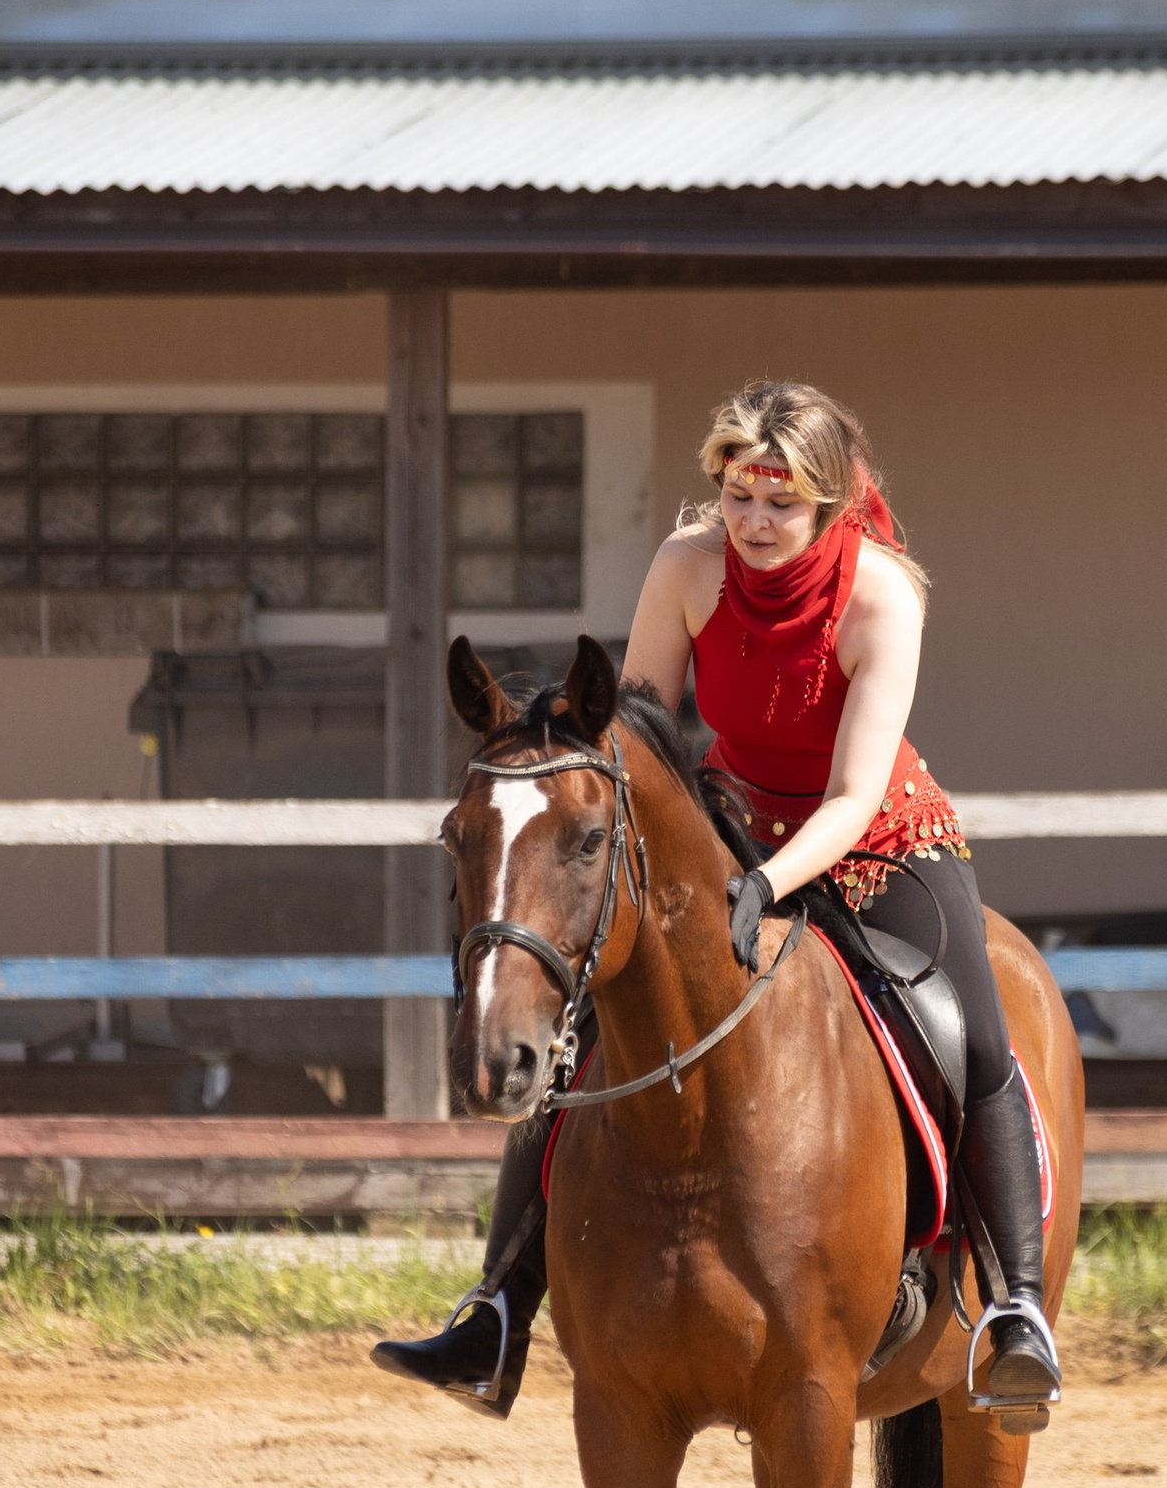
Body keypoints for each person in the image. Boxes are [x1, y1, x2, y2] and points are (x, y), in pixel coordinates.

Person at [374, 378, 1062, 1421]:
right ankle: (498, 1313)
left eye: (781, 505)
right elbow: (637, 730)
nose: (754, 523)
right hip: (733, 830)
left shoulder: (883, 594)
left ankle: (1014, 1309)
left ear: (829, 503)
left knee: (970, 1042)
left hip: (878, 844)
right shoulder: (687, 569)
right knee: (588, 1027)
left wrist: (763, 884)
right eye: (739, 497)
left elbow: (850, 792)